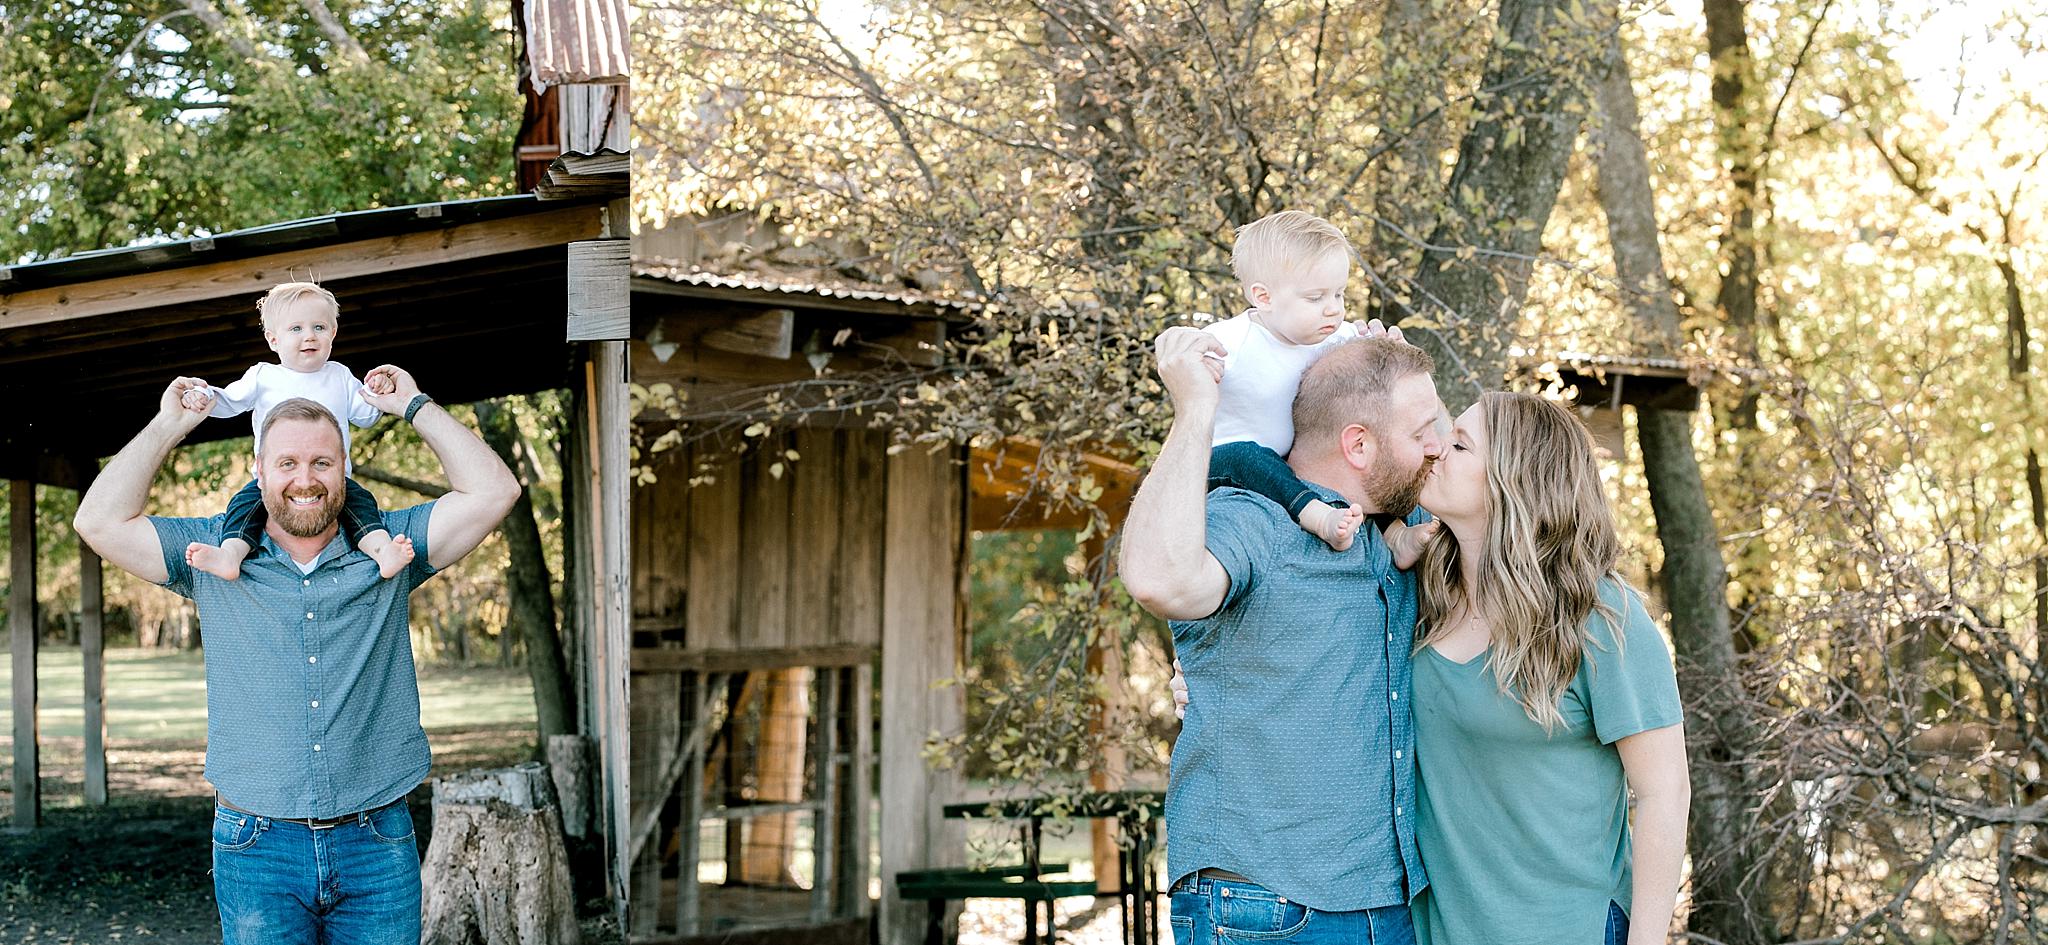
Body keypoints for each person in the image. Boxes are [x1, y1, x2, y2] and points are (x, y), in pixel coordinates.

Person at [1175, 392, 1690, 945]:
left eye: (1460, 444)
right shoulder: (1420, 590)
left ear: (1513, 483)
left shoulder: (1601, 618)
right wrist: (1214, 677)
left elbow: (1665, 792)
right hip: (1437, 931)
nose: (1437, 449)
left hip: (1572, 926)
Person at [72, 369, 522, 945]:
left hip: (376, 841)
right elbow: (97, 521)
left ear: (344, 470)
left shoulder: (391, 548)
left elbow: (496, 491)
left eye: (322, 463)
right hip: (256, 847)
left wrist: (412, 404)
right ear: (258, 470)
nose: (304, 480)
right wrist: (169, 426)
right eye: (286, 463)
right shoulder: (210, 553)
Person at [1121, 322, 1445, 945]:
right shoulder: (1254, 517)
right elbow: (1162, 580)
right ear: (1358, 445)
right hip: (1266, 906)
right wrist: (1194, 411)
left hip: (1391, 902)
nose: (1435, 446)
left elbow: (1486, 473)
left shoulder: (1399, 532)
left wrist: (1392, 369)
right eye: (1419, 432)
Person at [180, 281, 415, 581]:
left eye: (318, 327)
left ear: (333, 333)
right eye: (296, 329)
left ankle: (384, 552)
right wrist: (203, 395)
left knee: (361, 506)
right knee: (244, 507)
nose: (309, 337)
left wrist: (378, 389)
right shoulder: (264, 376)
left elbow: (367, 415)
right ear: (273, 339)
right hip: (272, 481)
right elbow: (228, 402)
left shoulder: (339, 375)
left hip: (334, 480)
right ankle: (230, 555)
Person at [1198, 210, 1378, 552]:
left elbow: (1378, 361)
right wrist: (1199, 364)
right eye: (1316, 298)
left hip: (1296, 461)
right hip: (1228, 463)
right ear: (1263, 297)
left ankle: (1393, 533)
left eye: (1339, 294)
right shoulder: (1229, 341)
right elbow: (1187, 357)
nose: (1333, 309)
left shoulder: (1340, 337)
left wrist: (1384, 345)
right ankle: (1315, 516)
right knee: (1248, 456)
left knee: (1365, 445)